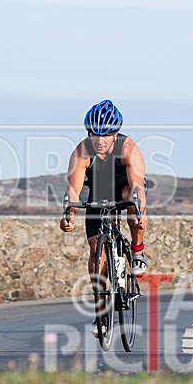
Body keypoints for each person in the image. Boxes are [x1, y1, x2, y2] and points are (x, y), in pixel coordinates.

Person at [60, 100, 148, 334]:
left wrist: (139, 211)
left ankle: (137, 249)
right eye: (94, 134)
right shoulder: (82, 151)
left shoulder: (128, 148)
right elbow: (73, 189)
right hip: (99, 191)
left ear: (115, 134)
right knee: (95, 247)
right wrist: (69, 213)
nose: (99, 140)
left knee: (132, 198)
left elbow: (138, 185)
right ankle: (101, 312)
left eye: (106, 135)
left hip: (125, 188)